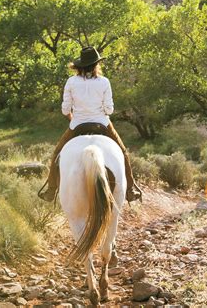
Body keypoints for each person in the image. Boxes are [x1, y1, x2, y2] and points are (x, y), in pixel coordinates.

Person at [38, 46, 141, 202]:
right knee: (123, 152)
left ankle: (51, 190)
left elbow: (65, 109)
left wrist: (75, 117)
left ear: (79, 66)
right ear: (96, 65)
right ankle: (131, 189)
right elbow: (109, 109)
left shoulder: (71, 82)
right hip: (102, 124)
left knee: (57, 154)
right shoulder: (104, 82)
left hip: (77, 125)